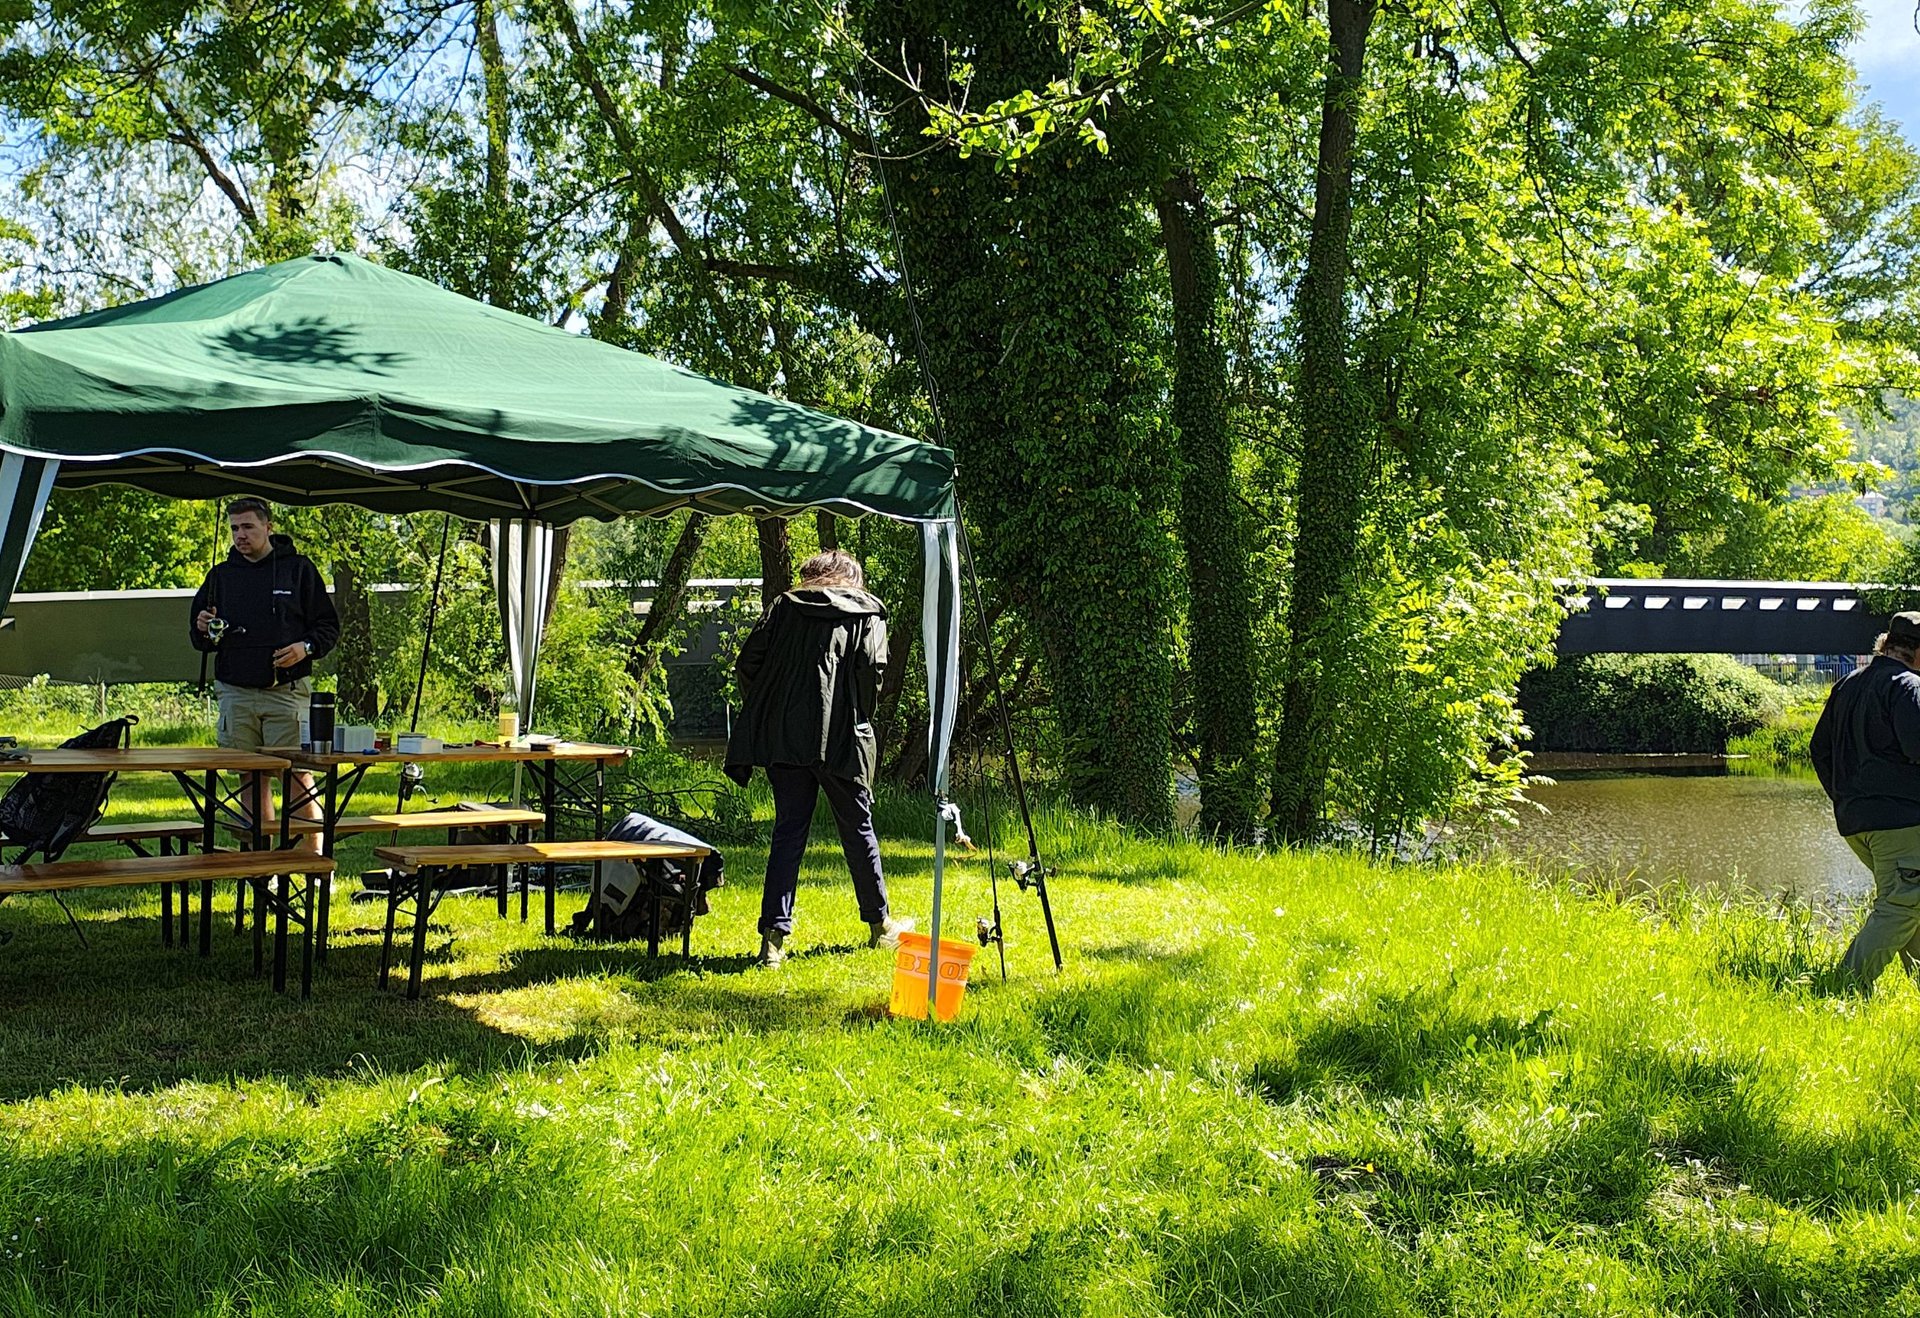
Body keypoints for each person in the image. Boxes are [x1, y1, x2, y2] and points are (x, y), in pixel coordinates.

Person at [723, 549, 910, 966]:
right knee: (858, 829)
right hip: (845, 736)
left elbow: (748, 663)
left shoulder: (783, 608)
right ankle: (880, 926)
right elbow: (871, 670)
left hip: (786, 737)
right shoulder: (868, 613)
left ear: (814, 575)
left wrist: (770, 707)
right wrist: (857, 715)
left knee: (788, 832)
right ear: (851, 577)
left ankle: (772, 942)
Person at [189, 497, 339, 832]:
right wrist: (202, 627)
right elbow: (201, 640)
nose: (240, 535)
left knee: (296, 775)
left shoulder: (298, 569)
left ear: (268, 527)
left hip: (286, 691)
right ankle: (259, 857)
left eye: (248, 527)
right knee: (249, 775)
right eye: (234, 528)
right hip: (236, 693)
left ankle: (311, 857)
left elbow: (328, 626)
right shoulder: (220, 576)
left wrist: (305, 647)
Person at [1811, 612, 1920, 992]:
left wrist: (1845, 797)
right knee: (1904, 903)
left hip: (1855, 822)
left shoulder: (1847, 684)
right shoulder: (1908, 685)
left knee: (1907, 901)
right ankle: (1844, 986)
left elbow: (1819, 750)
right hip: (1900, 822)